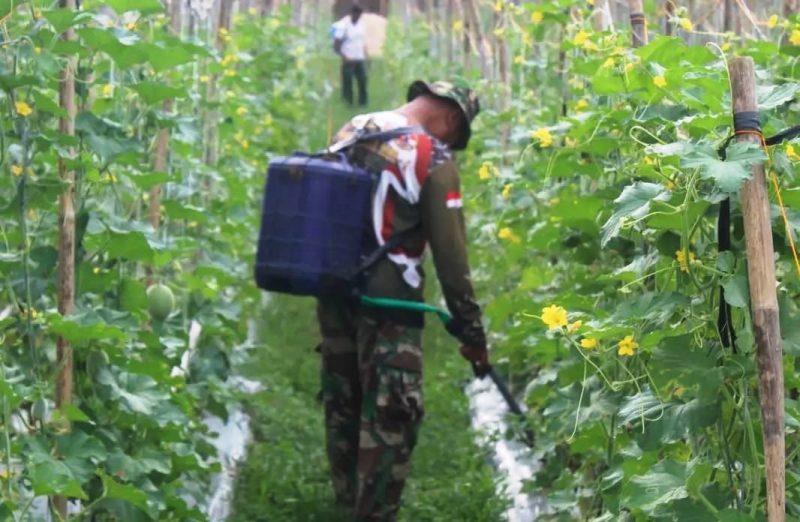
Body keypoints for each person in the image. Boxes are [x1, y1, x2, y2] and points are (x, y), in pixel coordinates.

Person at [317, 80, 488, 521]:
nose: (452, 142)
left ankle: (343, 503)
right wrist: (471, 331)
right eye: (456, 134)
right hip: (393, 309)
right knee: (391, 418)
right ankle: (374, 514)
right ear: (451, 116)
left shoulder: (352, 130)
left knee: (344, 405)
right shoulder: (433, 155)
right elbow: (452, 259)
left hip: (335, 292)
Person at [333, 4, 369, 106]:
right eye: (356, 14)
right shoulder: (343, 26)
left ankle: (363, 102)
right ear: (351, 14)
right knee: (347, 82)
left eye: (359, 15)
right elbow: (336, 45)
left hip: (359, 58)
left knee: (362, 80)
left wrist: (366, 55)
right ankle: (348, 101)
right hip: (348, 59)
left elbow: (362, 42)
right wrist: (344, 56)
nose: (357, 16)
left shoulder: (361, 25)